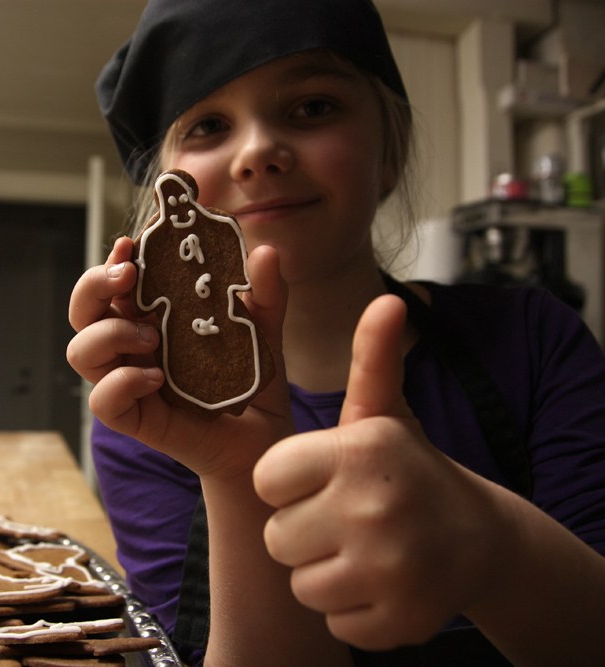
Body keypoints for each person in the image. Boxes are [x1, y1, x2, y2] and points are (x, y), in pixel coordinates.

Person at [67, 0, 605, 664]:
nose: (257, 151)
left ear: (389, 152)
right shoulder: (155, 412)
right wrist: (237, 475)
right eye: (208, 125)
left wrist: (493, 548)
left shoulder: (535, 340)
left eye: (313, 107)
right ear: (164, 194)